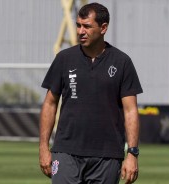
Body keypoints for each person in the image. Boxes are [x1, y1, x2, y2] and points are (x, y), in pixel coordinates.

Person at [39, 2, 143, 184]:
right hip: (66, 152)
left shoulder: (122, 62)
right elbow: (50, 103)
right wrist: (43, 147)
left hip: (107, 156)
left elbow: (131, 111)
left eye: (87, 26)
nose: (80, 31)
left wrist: (132, 153)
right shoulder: (64, 59)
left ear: (103, 28)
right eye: (78, 25)